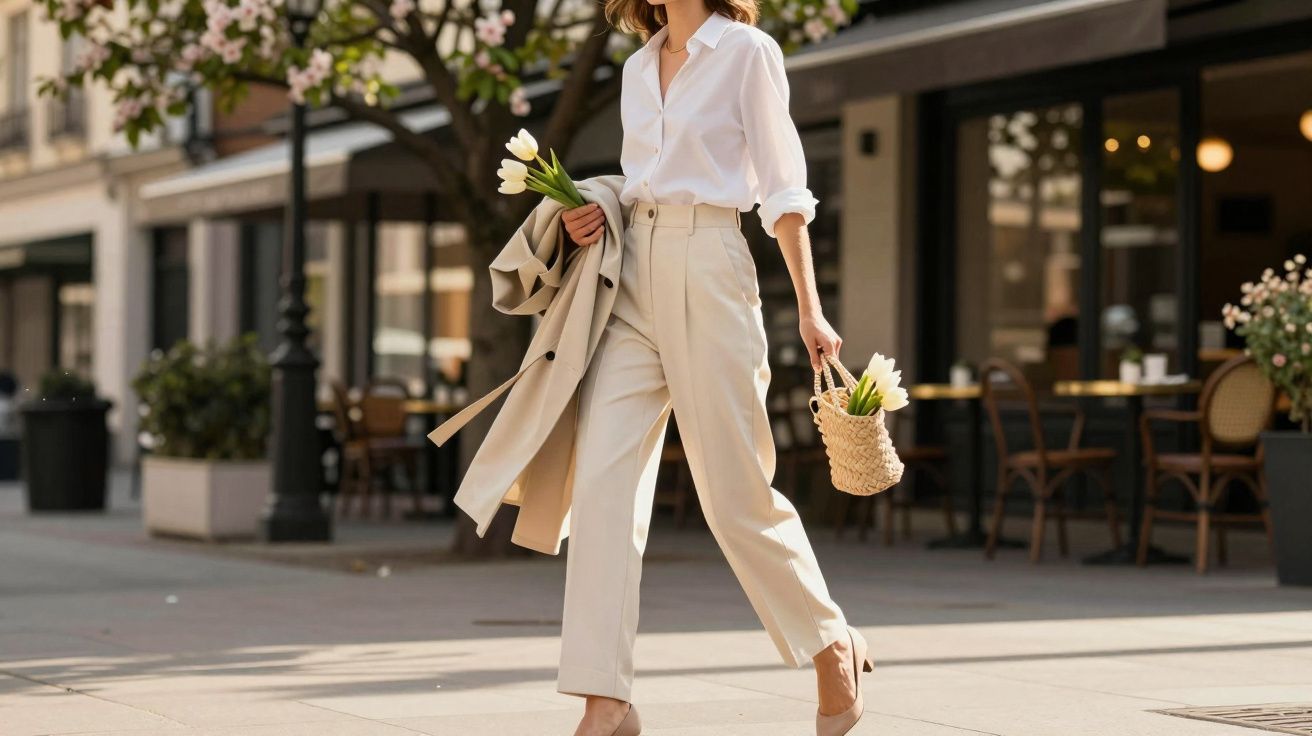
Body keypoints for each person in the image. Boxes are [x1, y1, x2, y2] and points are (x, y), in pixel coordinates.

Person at [556, 1, 869, 734]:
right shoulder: (638, 67)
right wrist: (593, 210)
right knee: (601, 485)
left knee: (733, 491)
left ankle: (830, 643)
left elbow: (783, 189)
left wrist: (810, 307)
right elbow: (643, 180)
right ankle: (606, 697)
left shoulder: (747, 53)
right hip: (632, 272)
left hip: (711, 262)